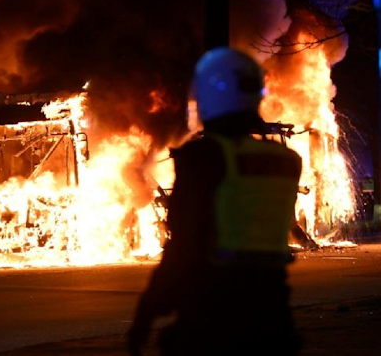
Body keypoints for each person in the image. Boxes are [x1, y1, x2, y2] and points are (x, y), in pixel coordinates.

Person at [128, 48, 302, 355]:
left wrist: (147, 314)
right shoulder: (286, 160)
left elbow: (184, 246)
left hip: (213, 317)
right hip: (273, 316)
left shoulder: (204, 158)